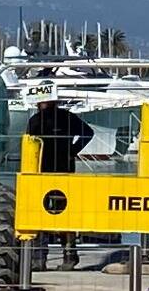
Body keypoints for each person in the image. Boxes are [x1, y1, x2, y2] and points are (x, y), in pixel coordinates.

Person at [25, 97, 94, 268]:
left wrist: (73, 150)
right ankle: (42, 257)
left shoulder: (61, 117)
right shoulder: (38, 119)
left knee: (60, 211)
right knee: (44, 211)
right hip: (45, 171)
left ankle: (65, 255)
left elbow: (88, 133)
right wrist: (72, 151)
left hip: (59, 170)